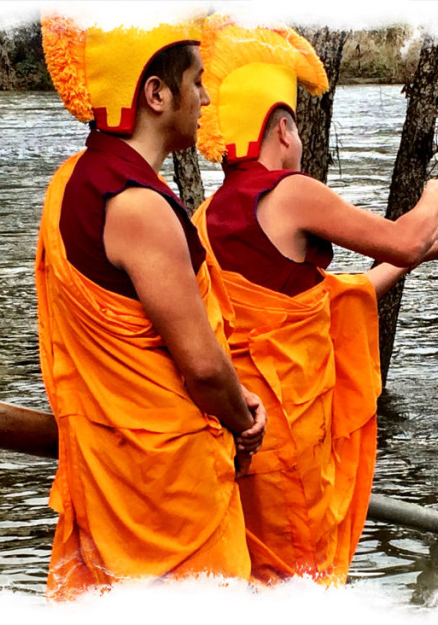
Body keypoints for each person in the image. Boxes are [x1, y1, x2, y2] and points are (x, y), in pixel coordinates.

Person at [191, 16, 438, 585]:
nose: (299, 143)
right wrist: (437, 194)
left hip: (239, 437)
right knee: (303, 576)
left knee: (256, 577)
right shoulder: (289, 192)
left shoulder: (207, 217)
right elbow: (400, 236)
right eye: (296, 129)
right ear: (281, 130)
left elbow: (334, 299)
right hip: (292, 441)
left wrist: (426, 254)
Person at [36, 12, 266, 600]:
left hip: (112, 468)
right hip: (171, 487)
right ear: (156, 94)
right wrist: (243, 422)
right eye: (196, 82)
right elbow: (203, 365)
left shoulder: (70, 181)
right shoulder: (137, 206)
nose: (207, 97)